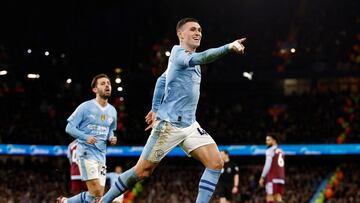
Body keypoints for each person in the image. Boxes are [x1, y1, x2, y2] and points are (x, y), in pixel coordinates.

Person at [99, 17, 246, 203]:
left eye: (200, 30)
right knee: (142, 172)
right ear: (180, 34)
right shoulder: (179, 54)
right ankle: (104, 200)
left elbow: (161, 80)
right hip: (169, 125)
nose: (198, 33)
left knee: (216, 163)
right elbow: (203, 57)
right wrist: (228, 47)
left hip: (190, 125)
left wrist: (154, 109)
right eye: (193, 29)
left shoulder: (183, 59)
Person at [57, 73, 118, 203]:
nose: (107, 85)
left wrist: (112, 137)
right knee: (96, 191)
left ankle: (66, 202)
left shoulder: (113, 111)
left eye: (108, 83)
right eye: (103, 83)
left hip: (101, 156)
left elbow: (111, 130)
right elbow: (69, 127)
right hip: (85, 153)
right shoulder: (85, 107)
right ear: (95, 90)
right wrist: (85, 137)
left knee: (97, 196)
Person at [259, 134, 285, 203]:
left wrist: (262, 177)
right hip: (281, 178)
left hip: (272, 177)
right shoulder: (281, 151)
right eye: (266, 140)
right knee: (278, 197)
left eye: (268, 140)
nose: (266, 142)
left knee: (269, 196)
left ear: (274, 141)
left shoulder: (269, 150)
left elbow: (267, 165)